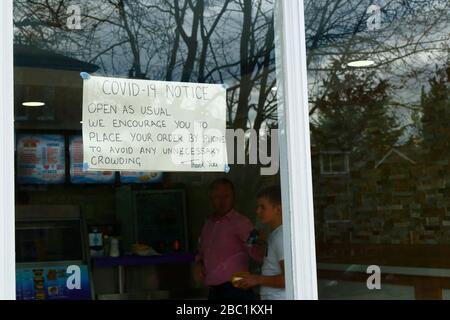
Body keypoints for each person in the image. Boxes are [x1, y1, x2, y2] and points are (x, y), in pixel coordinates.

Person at [194, 178, 264, 300]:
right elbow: (202, 251)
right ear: (211, 199)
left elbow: (257, 253)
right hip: (214, 290)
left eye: (226, 196)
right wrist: (200, 262)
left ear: (233, 197)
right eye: (217, 197)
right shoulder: (208, 224)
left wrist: (261, 241)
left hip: (236, 289)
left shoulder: (242, 223)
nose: (221, 201)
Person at [235, 186, 286, 300]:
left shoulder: (281, 237)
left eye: (263, 207)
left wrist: (257, 279)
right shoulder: (274, 235)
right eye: (257, 207)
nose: (258, 211)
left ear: (278, 209)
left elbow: (288, 279)